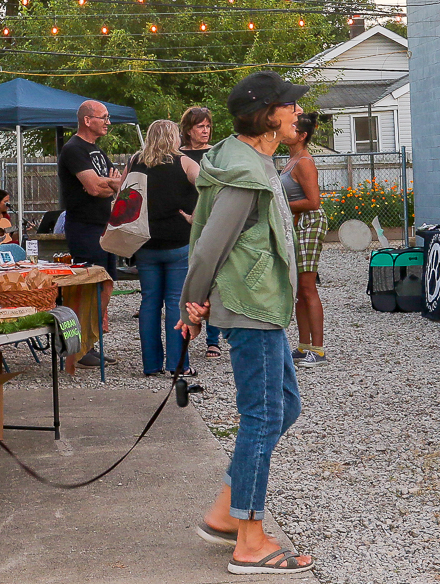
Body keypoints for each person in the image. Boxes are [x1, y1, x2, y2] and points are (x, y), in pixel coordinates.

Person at [178, 72, 315, 575]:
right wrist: (192, 305)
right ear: (266, 114)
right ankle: (250, 541)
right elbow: (209, 245)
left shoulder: (252, 159)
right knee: (262, 415)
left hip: (262, 305)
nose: (298, 112)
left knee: (285, 407)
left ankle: (224, 513)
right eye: (289, 105)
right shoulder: (243, 172)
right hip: (250, 308)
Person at [127, 120, 200, 377]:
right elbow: (210, 188)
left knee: (149, 302)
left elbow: (124, 195)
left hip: (144, 241)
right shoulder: (185, 162)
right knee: (175, 303)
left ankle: (151, 365)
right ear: (174, 137)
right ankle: (178, 365)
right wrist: (194, 217)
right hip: (178, 241)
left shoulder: (135, 161)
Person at [58, 100, 123, 368]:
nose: (108, 122)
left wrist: (109, 184)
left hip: (104, 226)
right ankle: (79, 348)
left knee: (106, 284)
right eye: (103, 117)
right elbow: (96, 188)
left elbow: (116, 184)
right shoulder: (74, 149)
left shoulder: (97, 151)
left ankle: (90, 342)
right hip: (84, 227)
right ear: (87, 120)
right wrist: (108, 184)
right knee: (87, 288)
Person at [179, 106, 225, 359]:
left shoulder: (215, 154)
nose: (205, 131)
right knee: (186, 283)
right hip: (182, 226)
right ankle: (184, 334)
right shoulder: (178, 155)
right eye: (200, 126)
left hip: (211, 223)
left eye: (208, 126)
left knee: (212, 282)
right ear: (189, 130)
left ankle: (213, 340)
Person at [284, 112, 328, 367]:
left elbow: (313, 202)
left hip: (309, 224)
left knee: (308, 287)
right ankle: (303, 346)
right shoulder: (292, 160)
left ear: (301, 136)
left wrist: (280, 204)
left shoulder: (304, 162)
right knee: (299, 289)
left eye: (292, 128)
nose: (286, 131)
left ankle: (318, 351)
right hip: (298, 224)